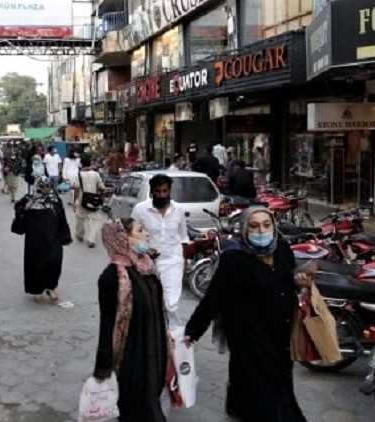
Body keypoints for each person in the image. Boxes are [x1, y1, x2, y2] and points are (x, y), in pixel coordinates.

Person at [184, 207, 311, 422]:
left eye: (266, 224)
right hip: (247, 334)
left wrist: (300, 283)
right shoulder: (234, 259)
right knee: (267, 386)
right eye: (254, 226)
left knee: (271, 376)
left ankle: (238, 406)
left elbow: (286, 282)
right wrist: (193, 331)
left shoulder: (282, 249)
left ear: (274, 226)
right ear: (244, 229)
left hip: (281, 331)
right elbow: (213, 298)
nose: (261, 230)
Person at [93, 220, 172, 422]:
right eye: (140, 230)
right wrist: (103, 367)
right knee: (140, 409)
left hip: (156, 349)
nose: (146, 234)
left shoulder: (146, 265)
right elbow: (108, 325)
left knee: (150, 401)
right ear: (123, 239)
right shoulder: (112, 277)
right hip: (133, 359)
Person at [131, 174, 188, 325]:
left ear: (170, 191)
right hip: (147, 264)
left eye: (165, 191)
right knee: (151, 303)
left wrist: (184, 262)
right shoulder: (140, 209)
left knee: (170, 304)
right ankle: (158, 336)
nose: (162, 195)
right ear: (151, 192)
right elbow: (132, 236)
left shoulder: (179, 210)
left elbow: (183, 238)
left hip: (173, 261)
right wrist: (143, 249)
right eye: (158, 191)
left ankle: (173, 335)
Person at [12, 177, 72, 304]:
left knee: (55, 262)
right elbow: (18, 209)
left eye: (48, 186)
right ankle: (36, 289)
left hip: (53, 238)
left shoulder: (55, 200)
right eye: (43, 186)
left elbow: (62, 218)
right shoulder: (29, 199)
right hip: (35, 240)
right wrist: (25, 208)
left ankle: (51, 288)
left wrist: (64, 236)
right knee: (36, 264)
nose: (46, 189)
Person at [74, 156, 105, 248]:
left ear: (81, 164)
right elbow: (102, 187)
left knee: (80, 218)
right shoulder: (95, 174)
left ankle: (79, 235)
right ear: (90, 163)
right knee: (94, 219)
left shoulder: (78, 175)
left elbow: (76, 189)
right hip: (93, 201)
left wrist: (74, 201)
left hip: (81, 200)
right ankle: (91, 240)